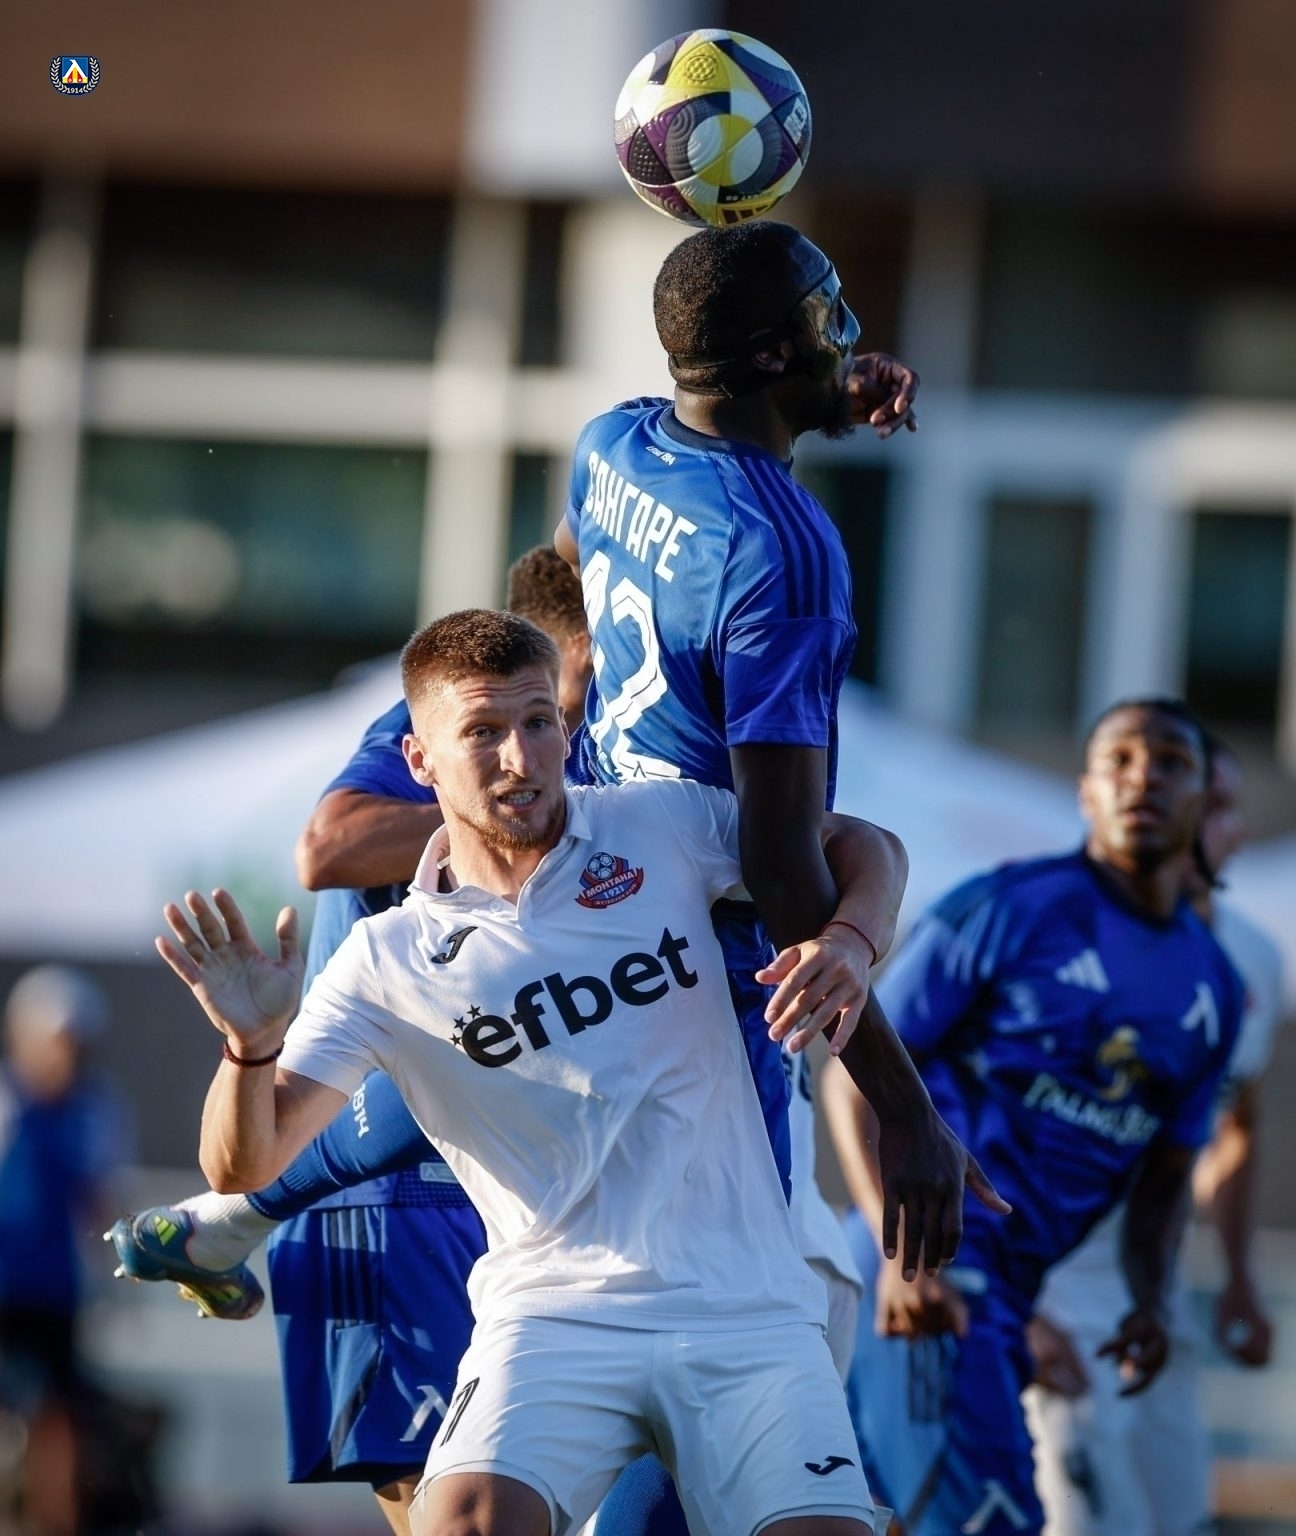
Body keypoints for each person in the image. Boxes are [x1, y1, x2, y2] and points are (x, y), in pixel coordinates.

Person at [155, 607, 904, 1536]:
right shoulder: (384, 959)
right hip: (551, 1320)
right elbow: (244, 1161)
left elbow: (862, 845)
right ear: (419, 761)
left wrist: (850, 940)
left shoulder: (661, 823)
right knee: (463, 1521)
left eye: (539, 721)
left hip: (749, 1312)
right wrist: (250, 1045)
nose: (522, 758)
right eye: (483, 732)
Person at [109, 550, 591, 1536]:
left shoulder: (613, 753)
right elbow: (327, 846)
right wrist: (529, 817)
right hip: (396, 1207)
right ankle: (231, 1215)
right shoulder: (459, 732)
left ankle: (224, 1223)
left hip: (521, 1198)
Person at [822, 698, 1246, 1536]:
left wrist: (1151, 1302)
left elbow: (1168, 1173)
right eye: (1120, 761)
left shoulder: (1216, 986)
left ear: (1204, 797)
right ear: (1086, 792)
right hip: (926, 1276)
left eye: (1170, 763)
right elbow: (856, 1072)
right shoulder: (1010, 907)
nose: (1143, 780)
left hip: (1007, 1302)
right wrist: (900, 1253)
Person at [1024, 738, 1285, 1536]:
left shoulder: (1254, 961)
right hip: (1058, 1298)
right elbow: (969, 1118)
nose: (1198, 822)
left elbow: (1236, 1121)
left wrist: (1237, 1275)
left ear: (1238, 829)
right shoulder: (1062, 941)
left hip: (1156, 1306)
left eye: (1218, 806)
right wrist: (1014, 1305)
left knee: (1178, 1519)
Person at [0, 966, 131, 1536]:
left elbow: (101, 1201)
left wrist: (117, 1277)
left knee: (62, 1416)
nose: (67, 1056)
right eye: (58, 1041)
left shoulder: (95, 1108)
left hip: (56, 1292)